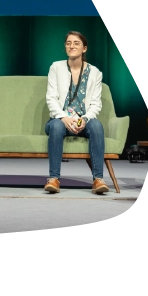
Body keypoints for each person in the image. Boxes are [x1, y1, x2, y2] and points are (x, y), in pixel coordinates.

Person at [44, 30, 109, 194]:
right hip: (60, 120)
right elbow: (51, 98)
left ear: (84, 48)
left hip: (83, 120)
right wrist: (63, 117)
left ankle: (98, 180)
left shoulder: (95, 72)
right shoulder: (56, 67)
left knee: (96, 126)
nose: (71, 46)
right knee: (56, 126)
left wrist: (85, 119)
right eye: (68, 43)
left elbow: (96, 104)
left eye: (76, 43)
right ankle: (54, 179)